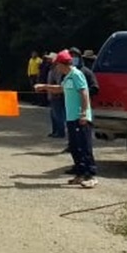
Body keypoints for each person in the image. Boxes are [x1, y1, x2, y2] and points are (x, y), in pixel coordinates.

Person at [35, 50, 97, 188]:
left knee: (84, 146)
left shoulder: (76, 74)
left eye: (57, 65)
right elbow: (60, 89)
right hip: (70, 117)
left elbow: (84, 93)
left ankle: (90, 175)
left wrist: (83, 113)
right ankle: (80, 173)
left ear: (63, 64)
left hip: (80, 117)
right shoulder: (67, 76)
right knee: (74, 147)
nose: (56, 68)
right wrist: (44, 87)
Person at [45, 54, 66, 139]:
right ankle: (55, 131)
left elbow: (58, 82)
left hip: (56, 95)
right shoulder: (51, 68)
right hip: (51, 94)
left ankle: (60, 132)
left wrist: (55, 92)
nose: (48, 60)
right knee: (53, 114)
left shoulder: (57, 69)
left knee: (58, 114)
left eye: (50, 59)